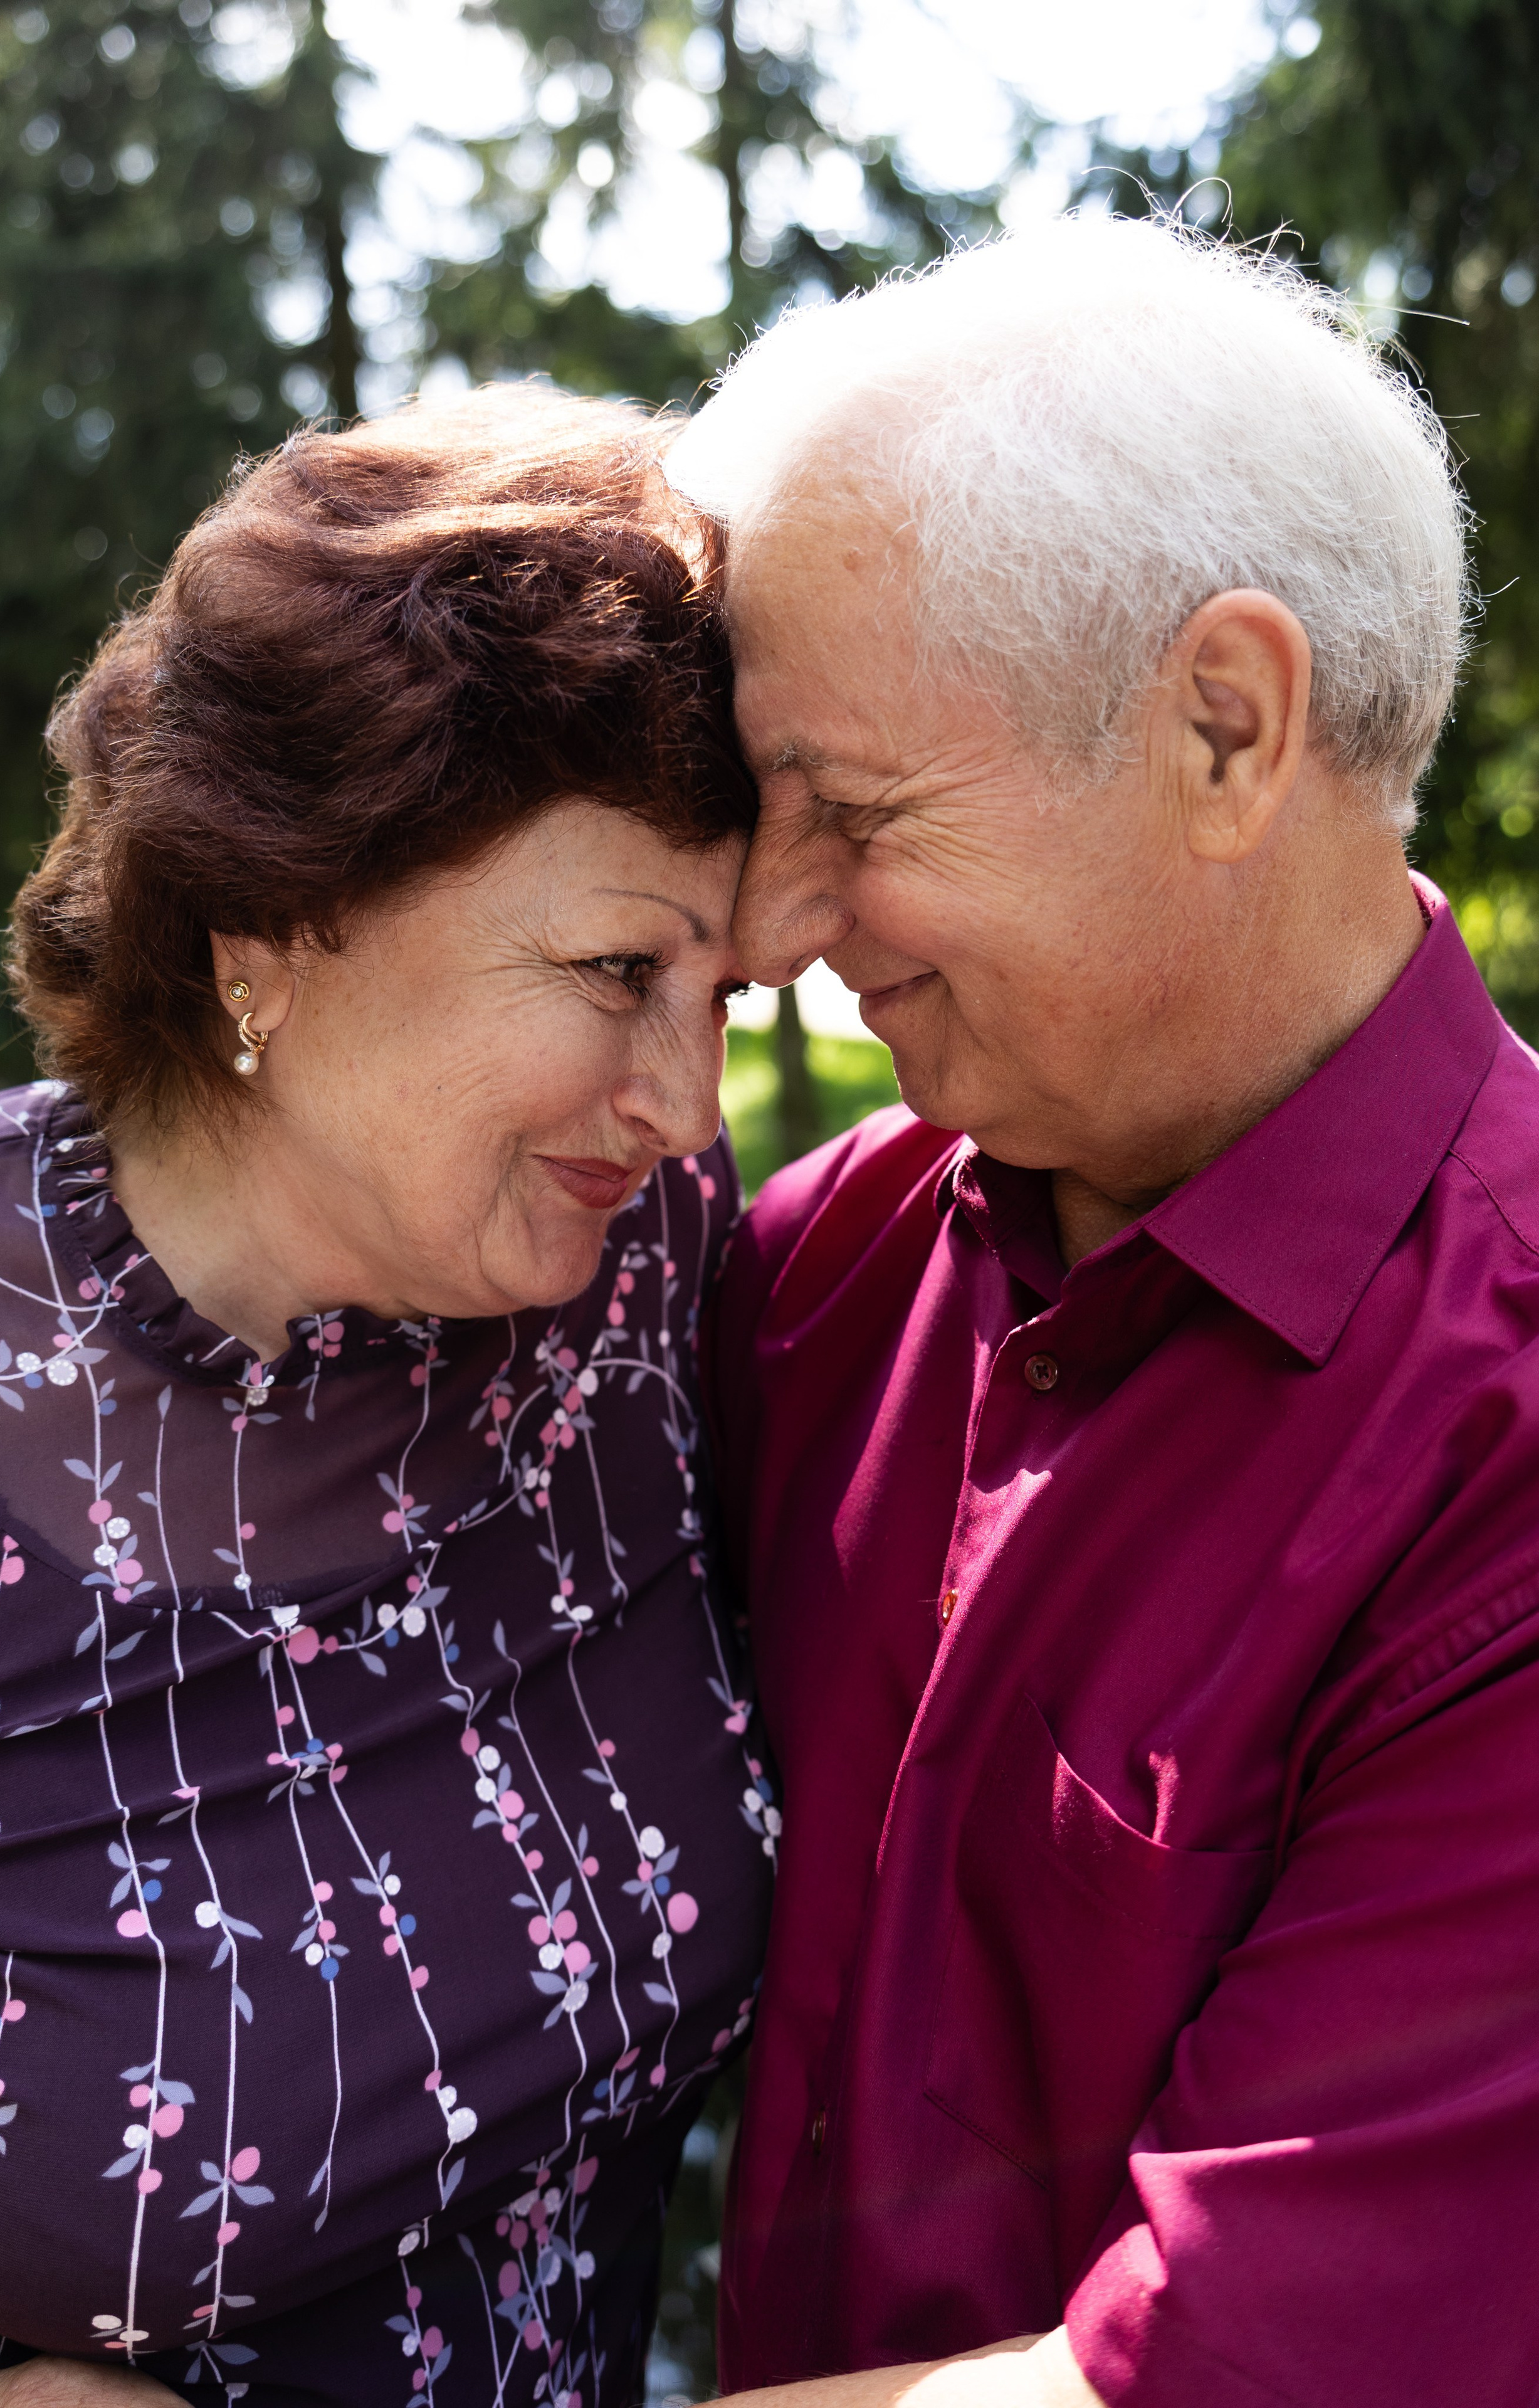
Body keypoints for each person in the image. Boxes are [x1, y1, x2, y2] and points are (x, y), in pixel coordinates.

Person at [668, 216, 1539, 2408]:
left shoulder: (1502, 1449)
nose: (763, 927)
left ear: (1227, 730)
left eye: (848, 810)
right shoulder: (822, 1265)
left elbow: (1198, 2385)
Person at [0, 389, 775, 2405]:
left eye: (723, 998)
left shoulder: (629, 1277)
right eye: (612, 972)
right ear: (275, 930)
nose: (685, 1099)